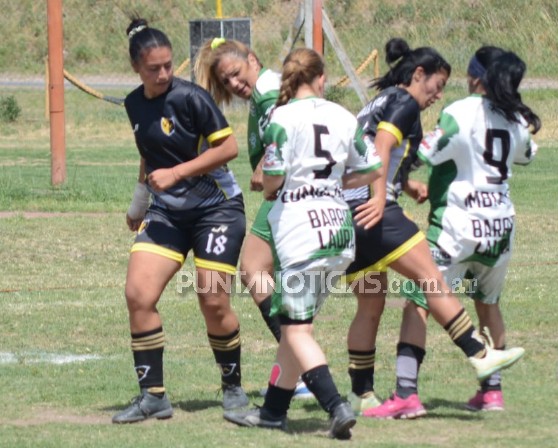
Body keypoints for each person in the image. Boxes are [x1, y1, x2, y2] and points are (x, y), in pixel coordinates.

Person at [343, 38, 526, 416]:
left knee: (370, 305)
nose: (437, 95)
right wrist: (381, 197)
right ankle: (478, 355)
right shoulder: (405, 102)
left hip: (349, 215)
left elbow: (371, 151)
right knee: (430, 281)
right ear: (418, 74)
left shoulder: (380, 100)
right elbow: (381, 144)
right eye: (436, 86)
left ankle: (362, 395)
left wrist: (404, 184)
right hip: (375, 212)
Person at [223, 48, 381, 440]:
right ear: (321, 79)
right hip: (339, 233)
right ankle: (273, 412)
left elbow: (271, 181)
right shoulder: (344, 117)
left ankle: (336, 406)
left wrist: (281, 184)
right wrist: (335, 186)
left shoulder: (282, 117)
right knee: (298, 325)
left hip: (301, 233)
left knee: (295, 332)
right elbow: (373, 168)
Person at [112, 18, 249, 424]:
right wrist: (139, 203)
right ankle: (153, 396)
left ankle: (233, 388)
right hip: (167, 211)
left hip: (217, 209)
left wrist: (178, 173)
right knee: (138, 293)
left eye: (169, 65)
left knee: (213, 299)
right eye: (154, 68)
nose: (164, 74)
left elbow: (228, 148)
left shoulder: (191, 98)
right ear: (137, 67)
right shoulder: (133, 103)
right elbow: (148, 155)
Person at [194, 38, 313, 399]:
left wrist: (264, 164)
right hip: (290, 194)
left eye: (235, 73)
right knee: (275, 281)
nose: (233, 84)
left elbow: (288, 120)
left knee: (252, 269)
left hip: (288, 194)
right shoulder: (266, 90)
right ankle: (299, 370)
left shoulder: (268, 90)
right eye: (225, 81)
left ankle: (304, 371)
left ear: (252, 59)